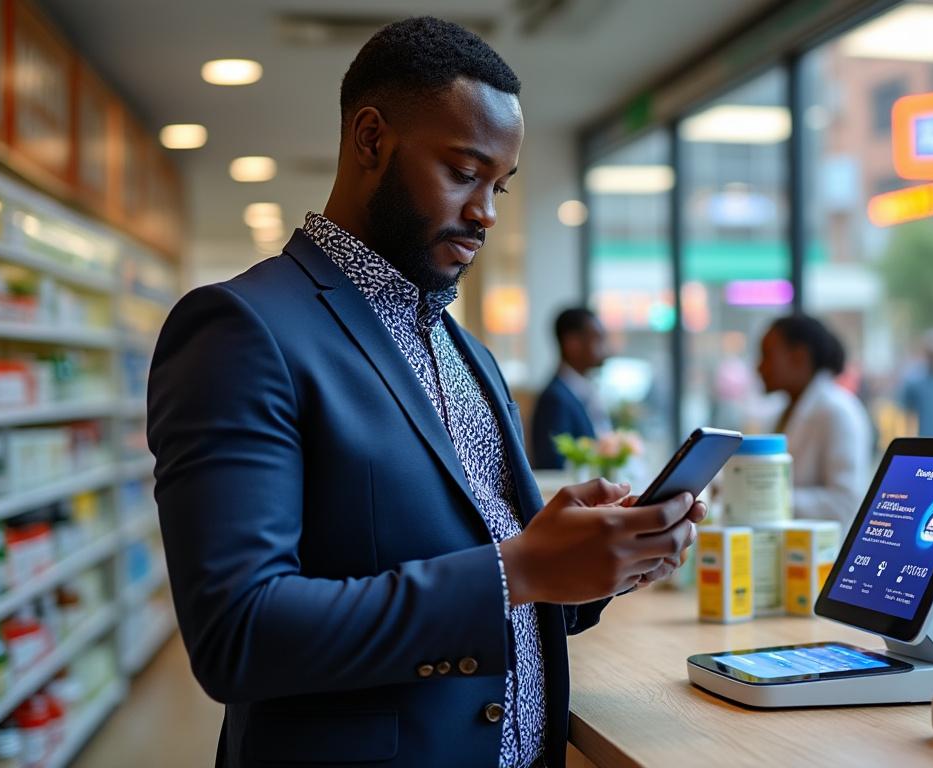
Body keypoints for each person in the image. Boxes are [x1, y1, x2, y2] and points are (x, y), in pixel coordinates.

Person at [146, 19, 703, 767]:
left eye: (500, 186)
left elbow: (496, 603)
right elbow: (238, 635)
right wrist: (520, 568)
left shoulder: (466, 351)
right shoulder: (241, 329)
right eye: (464, 172)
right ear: (371, 139)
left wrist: (600, 564)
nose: (486, 212)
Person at [757, 314, 873, 528]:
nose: (759, 367)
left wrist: (759, 498)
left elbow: (844, 503)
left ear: (799, 357)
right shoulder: (780, 412)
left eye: (767, 356)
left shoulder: (838, 411)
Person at [530, 307, 611, 469]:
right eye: (597, 339)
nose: (605, 348)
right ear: (572, 344)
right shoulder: (554, 399)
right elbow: (553, 466)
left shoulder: (584, 390)